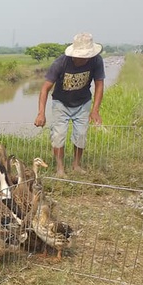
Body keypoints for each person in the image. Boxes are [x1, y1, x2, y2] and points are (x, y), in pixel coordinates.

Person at [34, 32, 105, 177]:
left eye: (87, 56)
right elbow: (45, 88)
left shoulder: (96, 61)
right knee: (58, 135)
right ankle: (60, 168)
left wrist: (95, 110)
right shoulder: (60, 63)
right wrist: (41, 113)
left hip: (83, 102)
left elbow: (99, 84)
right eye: (81, 56)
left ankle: (76, 165)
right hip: (61, 103)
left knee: (81, 135)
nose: (84, 59)